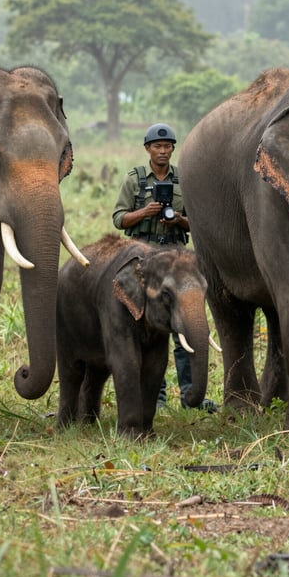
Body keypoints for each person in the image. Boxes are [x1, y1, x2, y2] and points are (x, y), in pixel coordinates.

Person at [113, 123, 217, 413]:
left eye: (168, 146)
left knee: (186, 325)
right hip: (144, 263)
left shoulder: (185, 180)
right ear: (147, 149)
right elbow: (119, 218)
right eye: (157, 146)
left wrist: (180, 222)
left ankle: (189, 393)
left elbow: (199, 221)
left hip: (177, 259)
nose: (163, 151)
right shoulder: (134, 180)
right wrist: (144, 213)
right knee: (145, 329)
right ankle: (154, 396)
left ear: (173, 149)